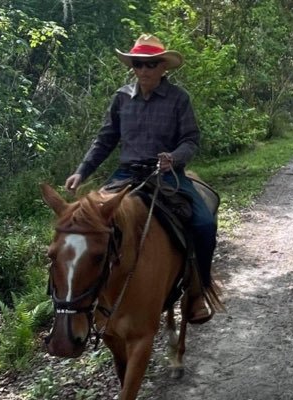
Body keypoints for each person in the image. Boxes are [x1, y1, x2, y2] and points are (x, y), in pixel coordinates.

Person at [64, 34, 217, 324]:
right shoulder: (121, 97)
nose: (144, 71)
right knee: (82, 225)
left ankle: (197, 292)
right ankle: (83, 297)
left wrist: (174, 157)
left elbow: (191, 139)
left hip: (167, 174)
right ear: (132, 66)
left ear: (163, 68)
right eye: (138, 64)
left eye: (151, 64)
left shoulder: (178, 99)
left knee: (204, 224)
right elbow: (105, 139)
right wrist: (82, 171)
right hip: (126, 173)